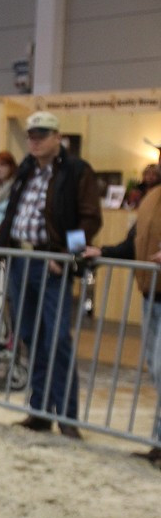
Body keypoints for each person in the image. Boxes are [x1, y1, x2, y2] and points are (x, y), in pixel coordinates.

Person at [0, 111, 101, 439]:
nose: (35, 140)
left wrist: (67, 254)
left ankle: (66, 417)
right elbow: (14, 215)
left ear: (58, 138)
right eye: (31, 135)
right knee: (28, 335)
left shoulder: (76, 171)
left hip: (50, 262)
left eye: (42, 135)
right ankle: (39, 410)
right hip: (20, 260)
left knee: (57, 339)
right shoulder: (27, 169)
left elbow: (89, 219)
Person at [82, 189, 161, 466]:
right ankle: (158, 443)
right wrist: (103, 251)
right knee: (157, 369)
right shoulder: (152, 198)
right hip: (152, 294)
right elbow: (134, 243)